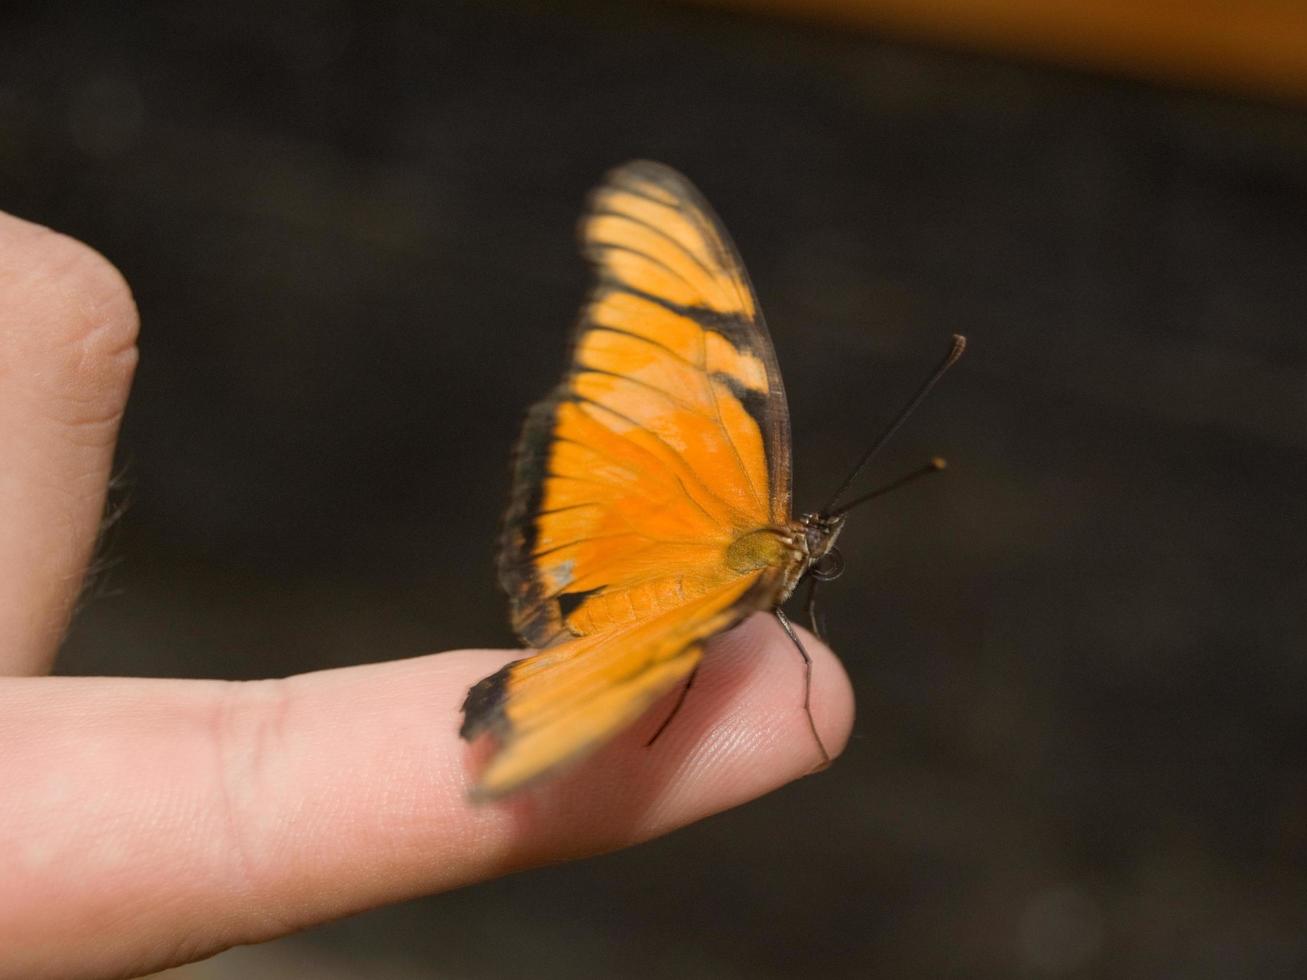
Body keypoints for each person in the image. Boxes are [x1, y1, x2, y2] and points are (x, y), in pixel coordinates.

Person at [0, 211, 853, 978]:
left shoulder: (762, 537)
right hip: (645, 581)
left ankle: (581, 659)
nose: (818, 544)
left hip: (619, 552)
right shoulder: (764, 546)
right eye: (816, 541)